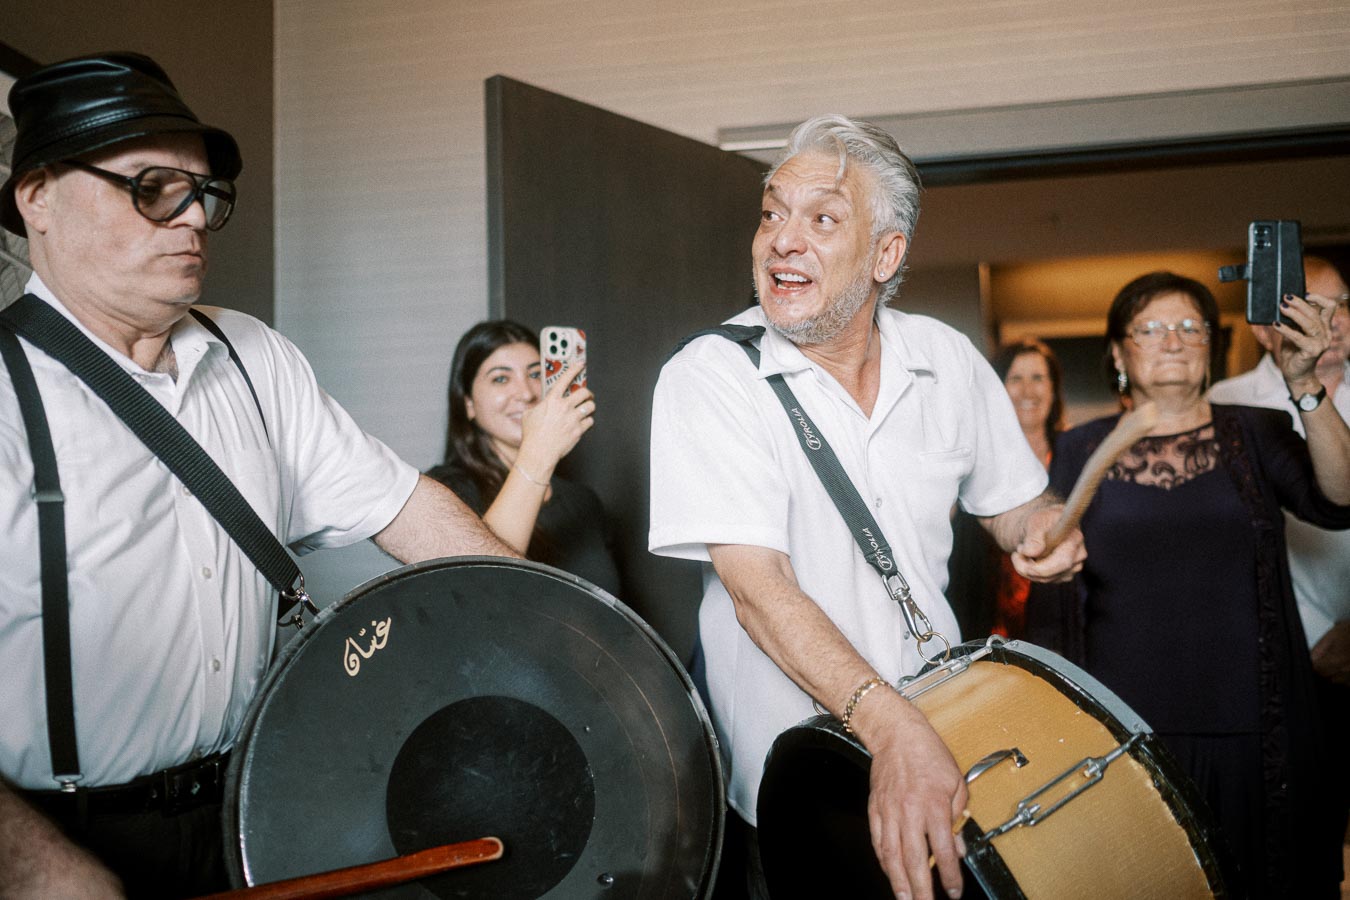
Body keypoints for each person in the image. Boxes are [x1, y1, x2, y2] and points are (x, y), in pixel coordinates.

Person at [0, 52, 517, 898]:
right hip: (65, 843)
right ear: (39, 196)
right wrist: (38, 876)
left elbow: (406, 506)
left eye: (203, 192)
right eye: (153, 187)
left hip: (261, 805)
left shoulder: (253, 355)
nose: (194, 217)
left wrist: (553, 636)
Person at [648, 114, 1085, 900]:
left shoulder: (945, 359)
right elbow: (758, 590)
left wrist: (1040, 531)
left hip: (944, 737)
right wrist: (891, 729)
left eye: (821, 218)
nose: (781, 239)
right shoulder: (710, 377)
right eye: (773, 211)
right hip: (795, 776)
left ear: (887, 254)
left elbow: (1015, 505)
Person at [1026, 271, 1350, 897]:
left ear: (1210, 344)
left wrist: (1305, 386)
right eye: (1149, 328)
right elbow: (1053, 594)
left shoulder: (1255, 431)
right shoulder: (1078, 447)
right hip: (1125, 735)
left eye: (1188, 327)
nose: (1171, 340)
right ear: (1119, 355)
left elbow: (1340, 501)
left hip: (1255, 733)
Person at [1207, 255, 1350, 878]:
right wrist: (1313, 638)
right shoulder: (1225, 406)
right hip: (1287, 661)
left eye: (1341, 303)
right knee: (1303, 839)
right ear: (1266, 327)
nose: (1334, 321)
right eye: (1311, 307)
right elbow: (1222, 553)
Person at [425, 319, 620, 595]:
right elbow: (478, 587)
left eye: (536, 374)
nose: (527, 394)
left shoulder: (584, 502)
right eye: (501, 379)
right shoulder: (445, 490)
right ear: (468, 404)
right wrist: (539, 455)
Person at [947, 339, 1067, 638]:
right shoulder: (972, 457)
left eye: (1038, 378)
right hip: (986, 613)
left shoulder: (1074, 454)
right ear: (998, 388)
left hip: (1061, 614)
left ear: (1053, 388)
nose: (1028, 390)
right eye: (1016, 379)